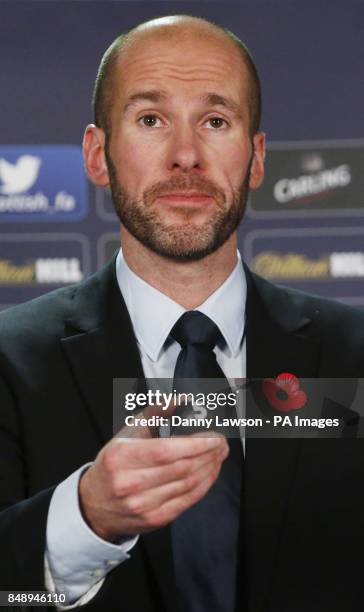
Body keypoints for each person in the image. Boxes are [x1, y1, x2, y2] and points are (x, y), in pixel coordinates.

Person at [1, 14, 364, 612]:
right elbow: (9, 596)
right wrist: (85, 518)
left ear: (256, 157)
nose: (187, 155)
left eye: (216, 121)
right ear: (97, 154)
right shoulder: (10, 361)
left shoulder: (352, 356)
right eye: (150, 120)